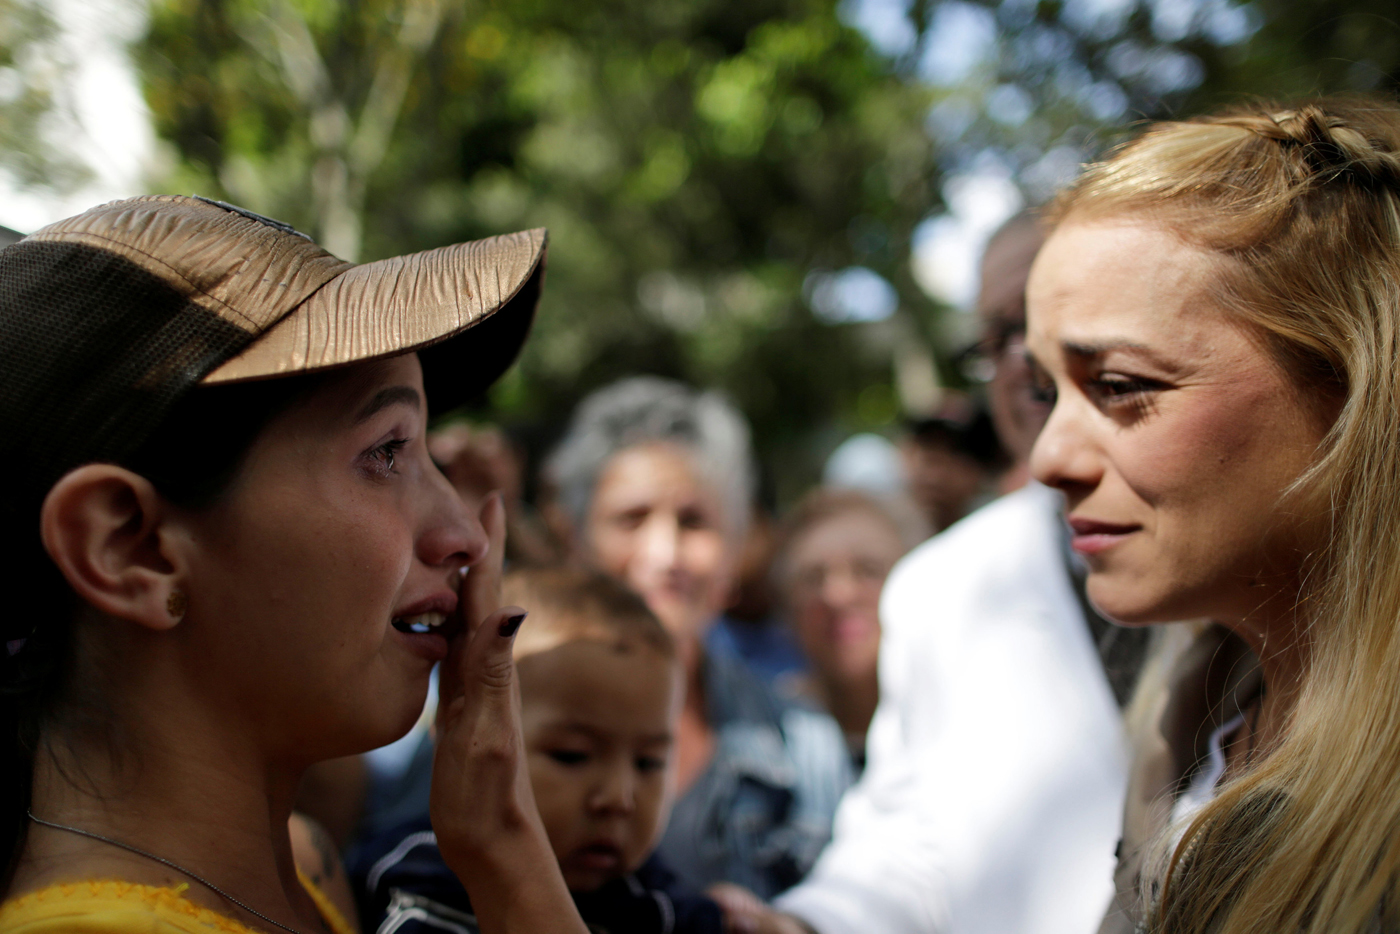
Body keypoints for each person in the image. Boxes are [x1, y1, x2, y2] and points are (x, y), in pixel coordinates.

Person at [0, 195, 589, 934]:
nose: (465, 532)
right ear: (130, 547)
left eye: (425, 449)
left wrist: (503, 842)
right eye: (385, 451)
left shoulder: (307, 872)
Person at [711, 211, 1148, 934]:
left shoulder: (1289, 553)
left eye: (1048, 318)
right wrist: (805, 925)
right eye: (998, 338)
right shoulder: (940, 586)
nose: (1023, 361)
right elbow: (910, 841)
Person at [1027, 97, 1400, 934]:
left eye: (1120, 387)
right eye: (1042, 391)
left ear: (1351, 391)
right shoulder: (1191, 729)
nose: (1049, 459)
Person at [543, 377, 852, 899]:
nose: (664, 554)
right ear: (575, 541)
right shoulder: (495, 719)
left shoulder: (804, 748)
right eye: (631, 518)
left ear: (734, 553)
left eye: (693, 521)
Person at [355, 567, 723, 934]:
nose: (618, 798)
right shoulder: (406, 872)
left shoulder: (662, 906)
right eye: (572, 755)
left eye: (649, 763)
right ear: (466, 734)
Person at [770, 488, 924, 767]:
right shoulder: (761, 730)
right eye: (813, 578)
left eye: (868, 570)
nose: (838, 595)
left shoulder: (960, 720)